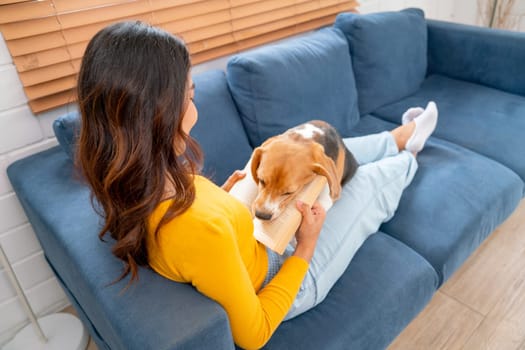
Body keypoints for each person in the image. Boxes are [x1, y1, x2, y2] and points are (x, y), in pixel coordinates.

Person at [76, 21, 438, 349]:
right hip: (285, 280)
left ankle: (396, 137)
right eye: (189, 95)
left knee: (324, 154)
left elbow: (202, 242)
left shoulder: (138, 180)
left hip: (251, 244)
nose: (194, 104)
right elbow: (253, 333)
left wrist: (222, 197)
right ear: (160, 114)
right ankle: (410, 158)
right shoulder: (200, 228)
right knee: (368, 184)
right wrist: (305, 249)